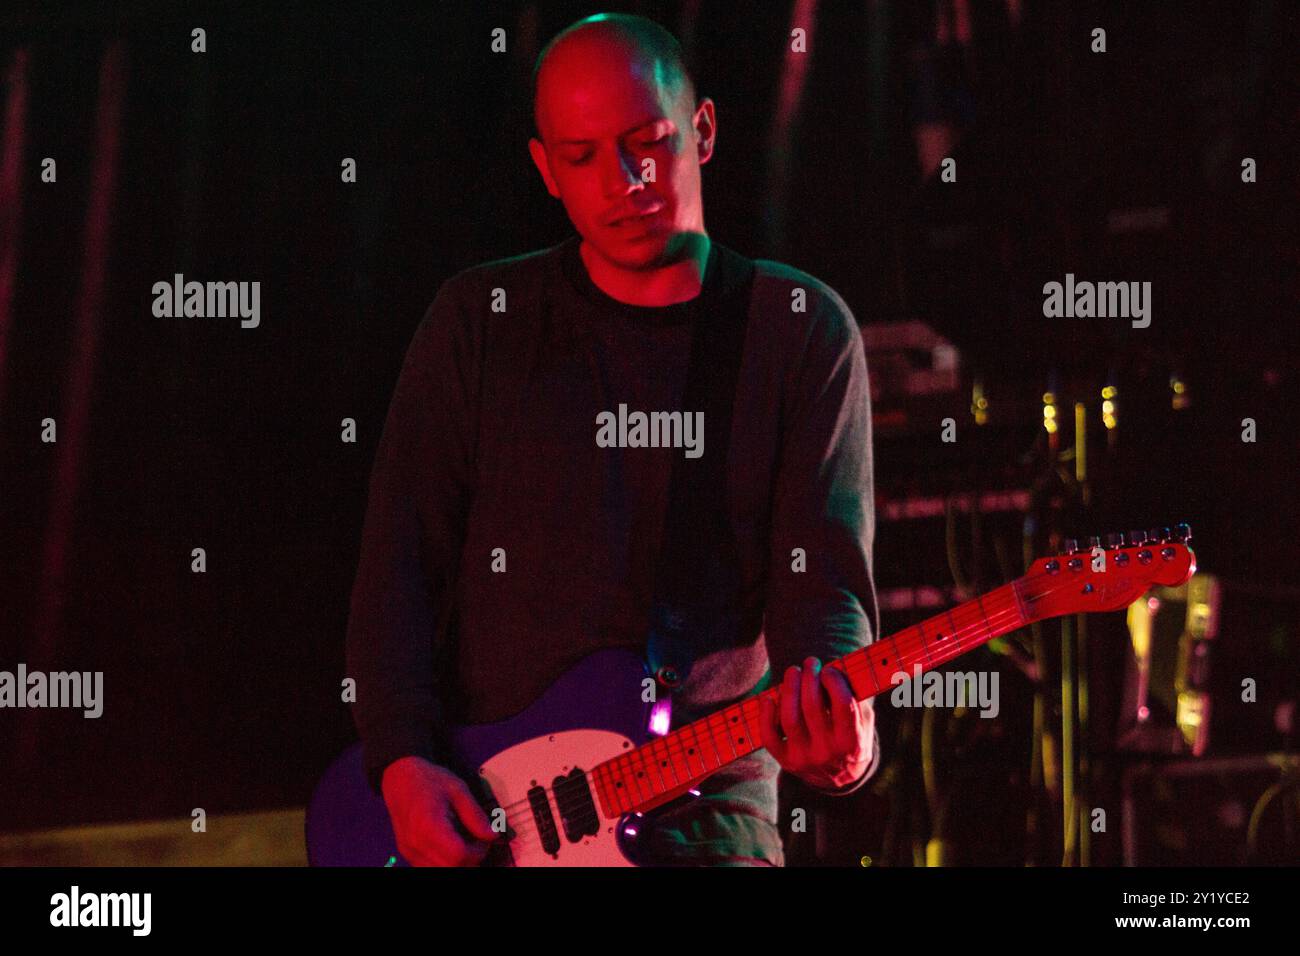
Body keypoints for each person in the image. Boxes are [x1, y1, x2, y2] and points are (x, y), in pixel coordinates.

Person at [345, 12, 881, 867]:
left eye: (649, 141)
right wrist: (402, 761)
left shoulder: (797, 329)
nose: (623, 179)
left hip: (709, 820)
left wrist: (842, 742)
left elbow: (824, 594)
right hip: (497, 819)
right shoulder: (478, 324)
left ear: (702, 131)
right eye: (583, 156)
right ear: (544, 170)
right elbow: (398, 570)